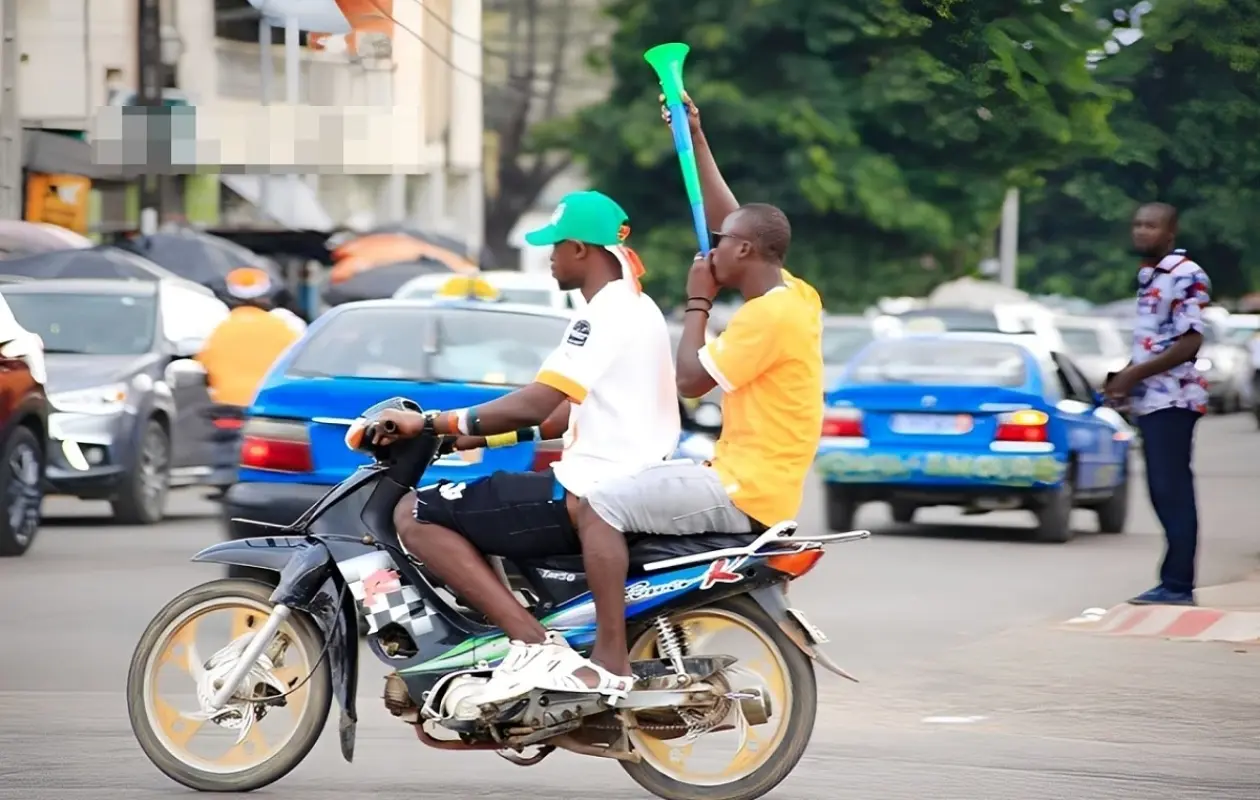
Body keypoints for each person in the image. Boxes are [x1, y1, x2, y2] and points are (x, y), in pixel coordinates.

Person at [451, 94, 824, 701]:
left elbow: (690, 380)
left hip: (742, 487)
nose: (709, 247)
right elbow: (733, 218)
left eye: (721, 244)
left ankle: (608, 655)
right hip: (749, 476)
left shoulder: (767, 320)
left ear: (746, 253)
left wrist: (697, 297)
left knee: (601, 506)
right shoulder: (794, 296)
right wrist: (695, 137)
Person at [373, 190, 681, 704]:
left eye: (555, 246)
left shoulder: (601, 315)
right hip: (625, 480)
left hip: (590, 487)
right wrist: (455, 435)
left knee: (417, 513)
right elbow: (560, 415)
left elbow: (536, 403)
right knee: (475, 500)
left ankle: (534, 645)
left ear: (581, 249)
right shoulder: (638, 307)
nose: (550, 258)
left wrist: (430, 420)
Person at [1104, 202, 1209, 607]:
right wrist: (1122, 376)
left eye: (1151, 225)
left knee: (1172, 488)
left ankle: (1178, 584)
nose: (1141, 231)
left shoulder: (1186, 276)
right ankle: (1172, 581)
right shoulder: (1151, 277)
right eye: (1137, 224)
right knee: (1161, 490)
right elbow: (1154, 343)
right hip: (1153, 398)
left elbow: (1190, 341)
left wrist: (1134, 376)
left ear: (1171, 233)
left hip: (1175, 397)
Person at [196, 267, 301, 407]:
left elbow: (201, 365)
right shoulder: (289, 323)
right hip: (277, 405)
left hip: (227, 403)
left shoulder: (215, 323)